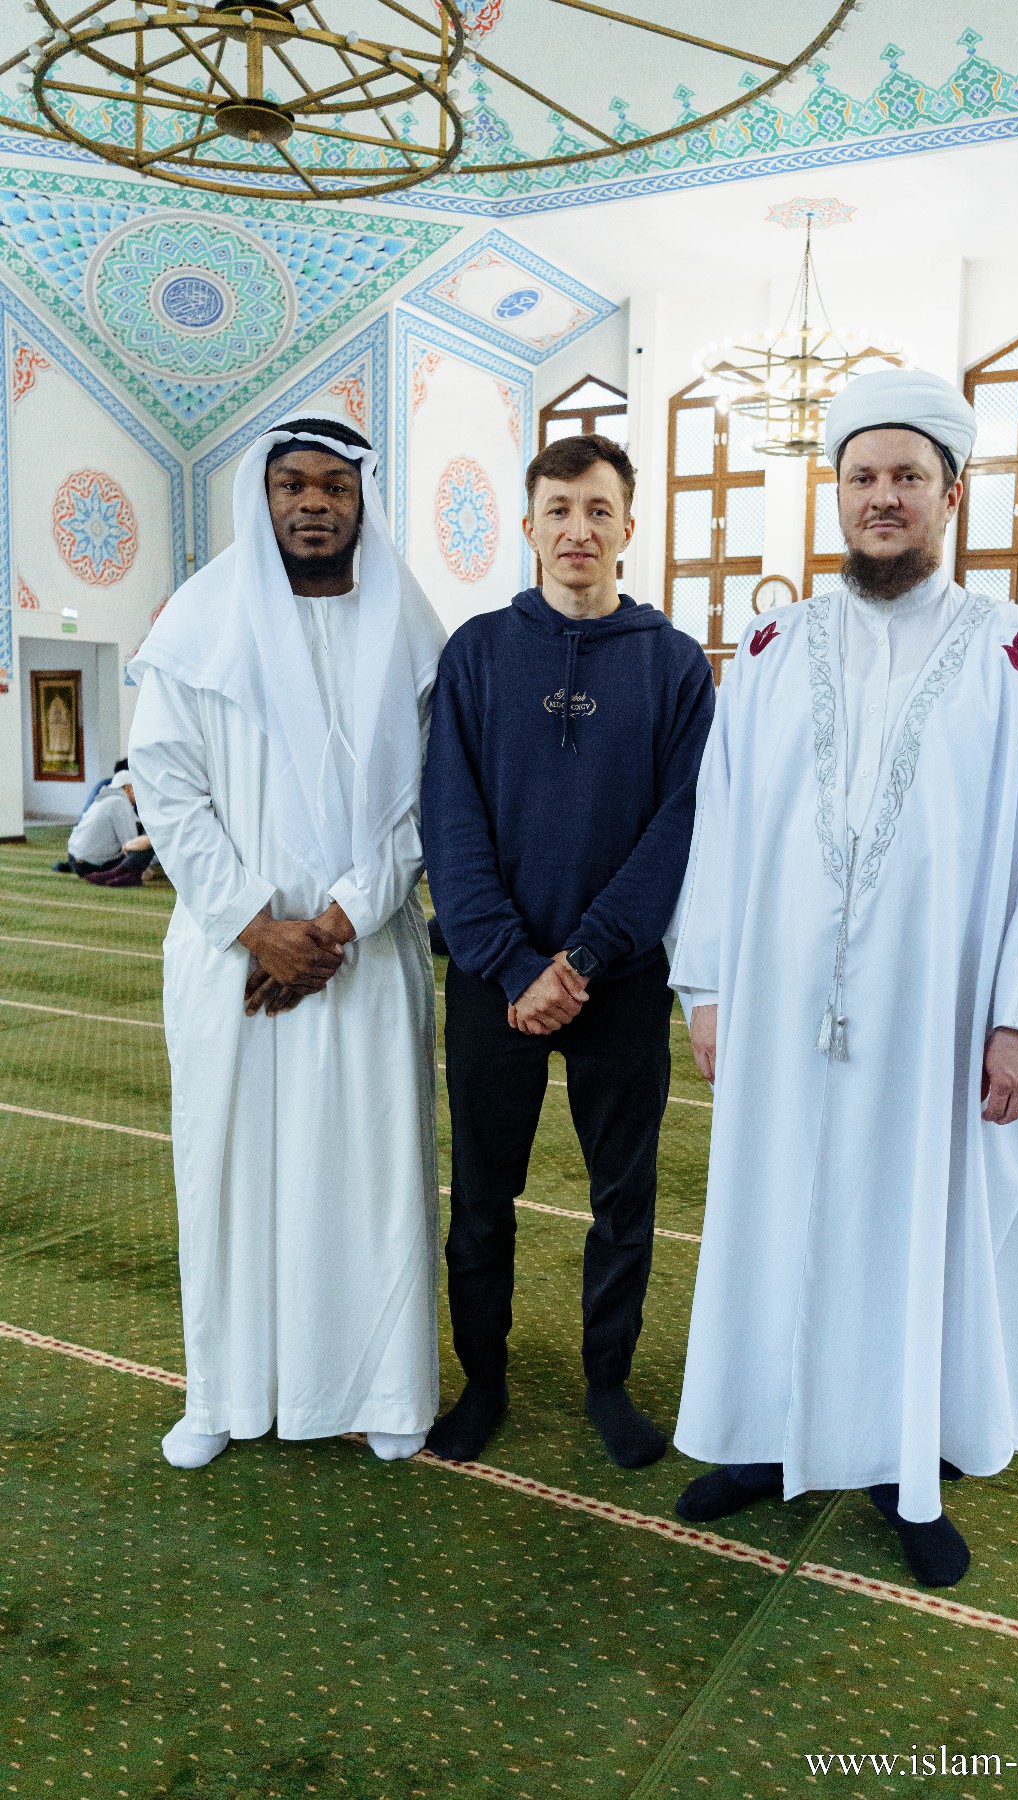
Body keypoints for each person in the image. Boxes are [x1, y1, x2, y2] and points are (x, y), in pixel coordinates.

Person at [668, 369, 1018, 1587]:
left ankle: (902, 1460)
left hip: (940, 1016)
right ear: (834, 493)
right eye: (863, 477)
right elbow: (720, 826)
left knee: (908, 1227)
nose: (884, 498)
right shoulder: (770, 648)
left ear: (950, 495)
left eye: (907, 478)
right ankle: (765, 1435)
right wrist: (705, 987)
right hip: (780, 1014)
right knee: (777, 1211)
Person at [128, 412, 445, 1471]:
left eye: (333, 487)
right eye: (292, 486)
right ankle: (222, 1395)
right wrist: (259, 928)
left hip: (366, 956)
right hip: (234, 962)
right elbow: (168, 790)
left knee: (371, 1175)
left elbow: (429, 800)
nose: (313, 504)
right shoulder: (200, 622)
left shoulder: (407, 624)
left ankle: (385, 1390)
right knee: (228, 1174)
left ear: (361, 501)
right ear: (262, 500)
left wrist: (341, 920)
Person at [421, 434, 714, 1468]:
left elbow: (680, 829)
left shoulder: (674, 666)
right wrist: (514, 964)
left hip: (618, 984)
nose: (577, 529)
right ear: (528, 525)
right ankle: (482, 1382)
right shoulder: (476, 654)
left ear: (629, 526)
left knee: (622, 1200)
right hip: (493, 982)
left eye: (597, 510)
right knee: (480, 1198)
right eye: (558, 509)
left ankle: (607, 1382)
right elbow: (448, 821)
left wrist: (583, 958)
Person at [59, 773, 140, 877]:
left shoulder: (105, 798)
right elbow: (130, 843)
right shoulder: (120, 802)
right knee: (143, 845)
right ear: (128, 788)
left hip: (73, 858)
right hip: (91, 865)